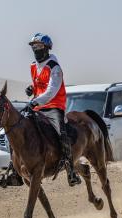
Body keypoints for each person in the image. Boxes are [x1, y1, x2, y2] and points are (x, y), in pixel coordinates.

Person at [26, 33, 81, 186]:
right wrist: (32, 89)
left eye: (39, 46)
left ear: (47, 48)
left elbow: (51, 91)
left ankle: (71, 170)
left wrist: (35, 101)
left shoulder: (54, 67)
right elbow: (39, 85)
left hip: (54, 106)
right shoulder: (33, 66)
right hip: (38, 106)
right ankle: (13, 170)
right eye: (34, 47)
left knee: (61, 133)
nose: (36, 49)